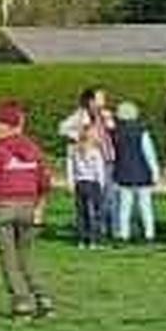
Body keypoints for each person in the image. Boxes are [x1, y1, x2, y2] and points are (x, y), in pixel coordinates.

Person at [0, 100, 55, 318]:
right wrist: (40, 206)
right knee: (27, 255)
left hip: (1, 206)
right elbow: (45, 181)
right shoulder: (32, 147)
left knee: (8, 258)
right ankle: (43, 298)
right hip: (29, 207)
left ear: (5, 125)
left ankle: (21, 303)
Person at [63, 91, 113, 247]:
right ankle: (91, 236)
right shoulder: (80, 116)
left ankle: (99, 233)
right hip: (89, 168)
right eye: (97, 99)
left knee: (105, 201)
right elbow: (63, 128)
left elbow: (112, 128)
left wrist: (107, 120)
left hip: (105, 157)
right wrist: (79, 137)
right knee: (88, 208)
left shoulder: (104, 115)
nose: (100, 101)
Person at [107, 101, 160, 242]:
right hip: (142, 174)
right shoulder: (142, 132)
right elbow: (149, 154)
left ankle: (124, 234)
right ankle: (149, 234)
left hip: (123, 174)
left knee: (124, 207)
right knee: (146, 206)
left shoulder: (116, 134)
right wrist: (155, 172)